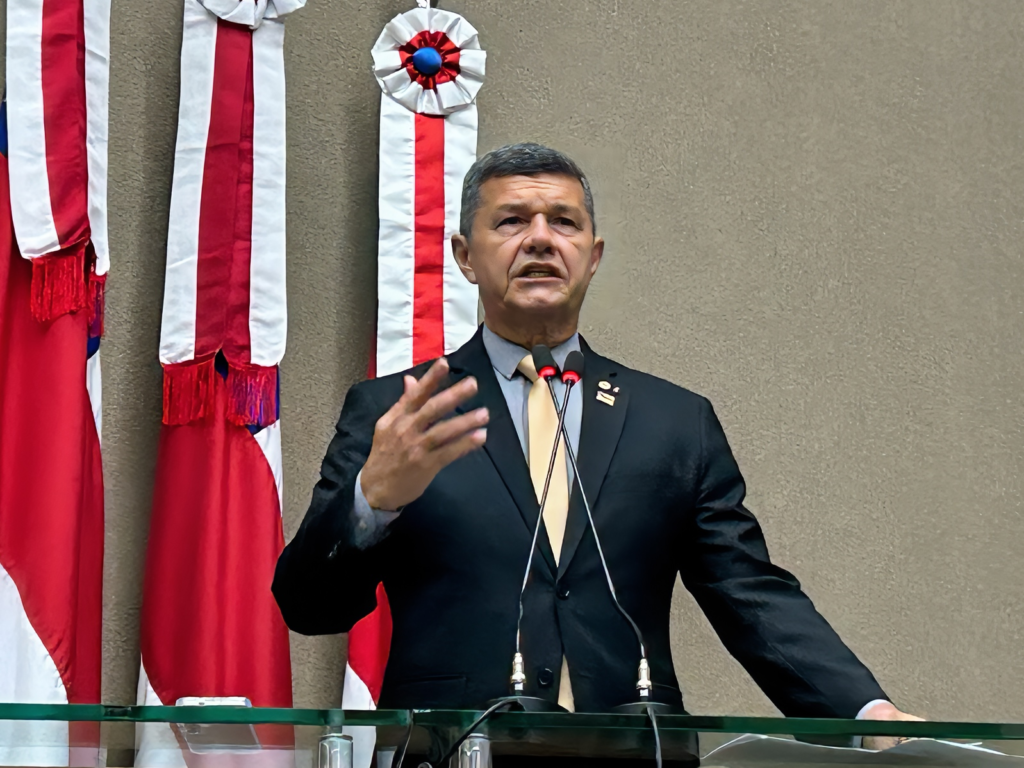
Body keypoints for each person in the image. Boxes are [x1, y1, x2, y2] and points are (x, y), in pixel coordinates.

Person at [273, 143, 919, 740]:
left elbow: (748, 591)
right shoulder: (397, 412)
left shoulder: (674, 420)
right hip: (454, 749)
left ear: (594, 254)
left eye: (564, 222)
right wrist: (371, 500)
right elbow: (307, 607)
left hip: (636, 749)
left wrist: (864, 710)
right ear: (464, 256)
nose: (540, 239)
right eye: (511, 221)